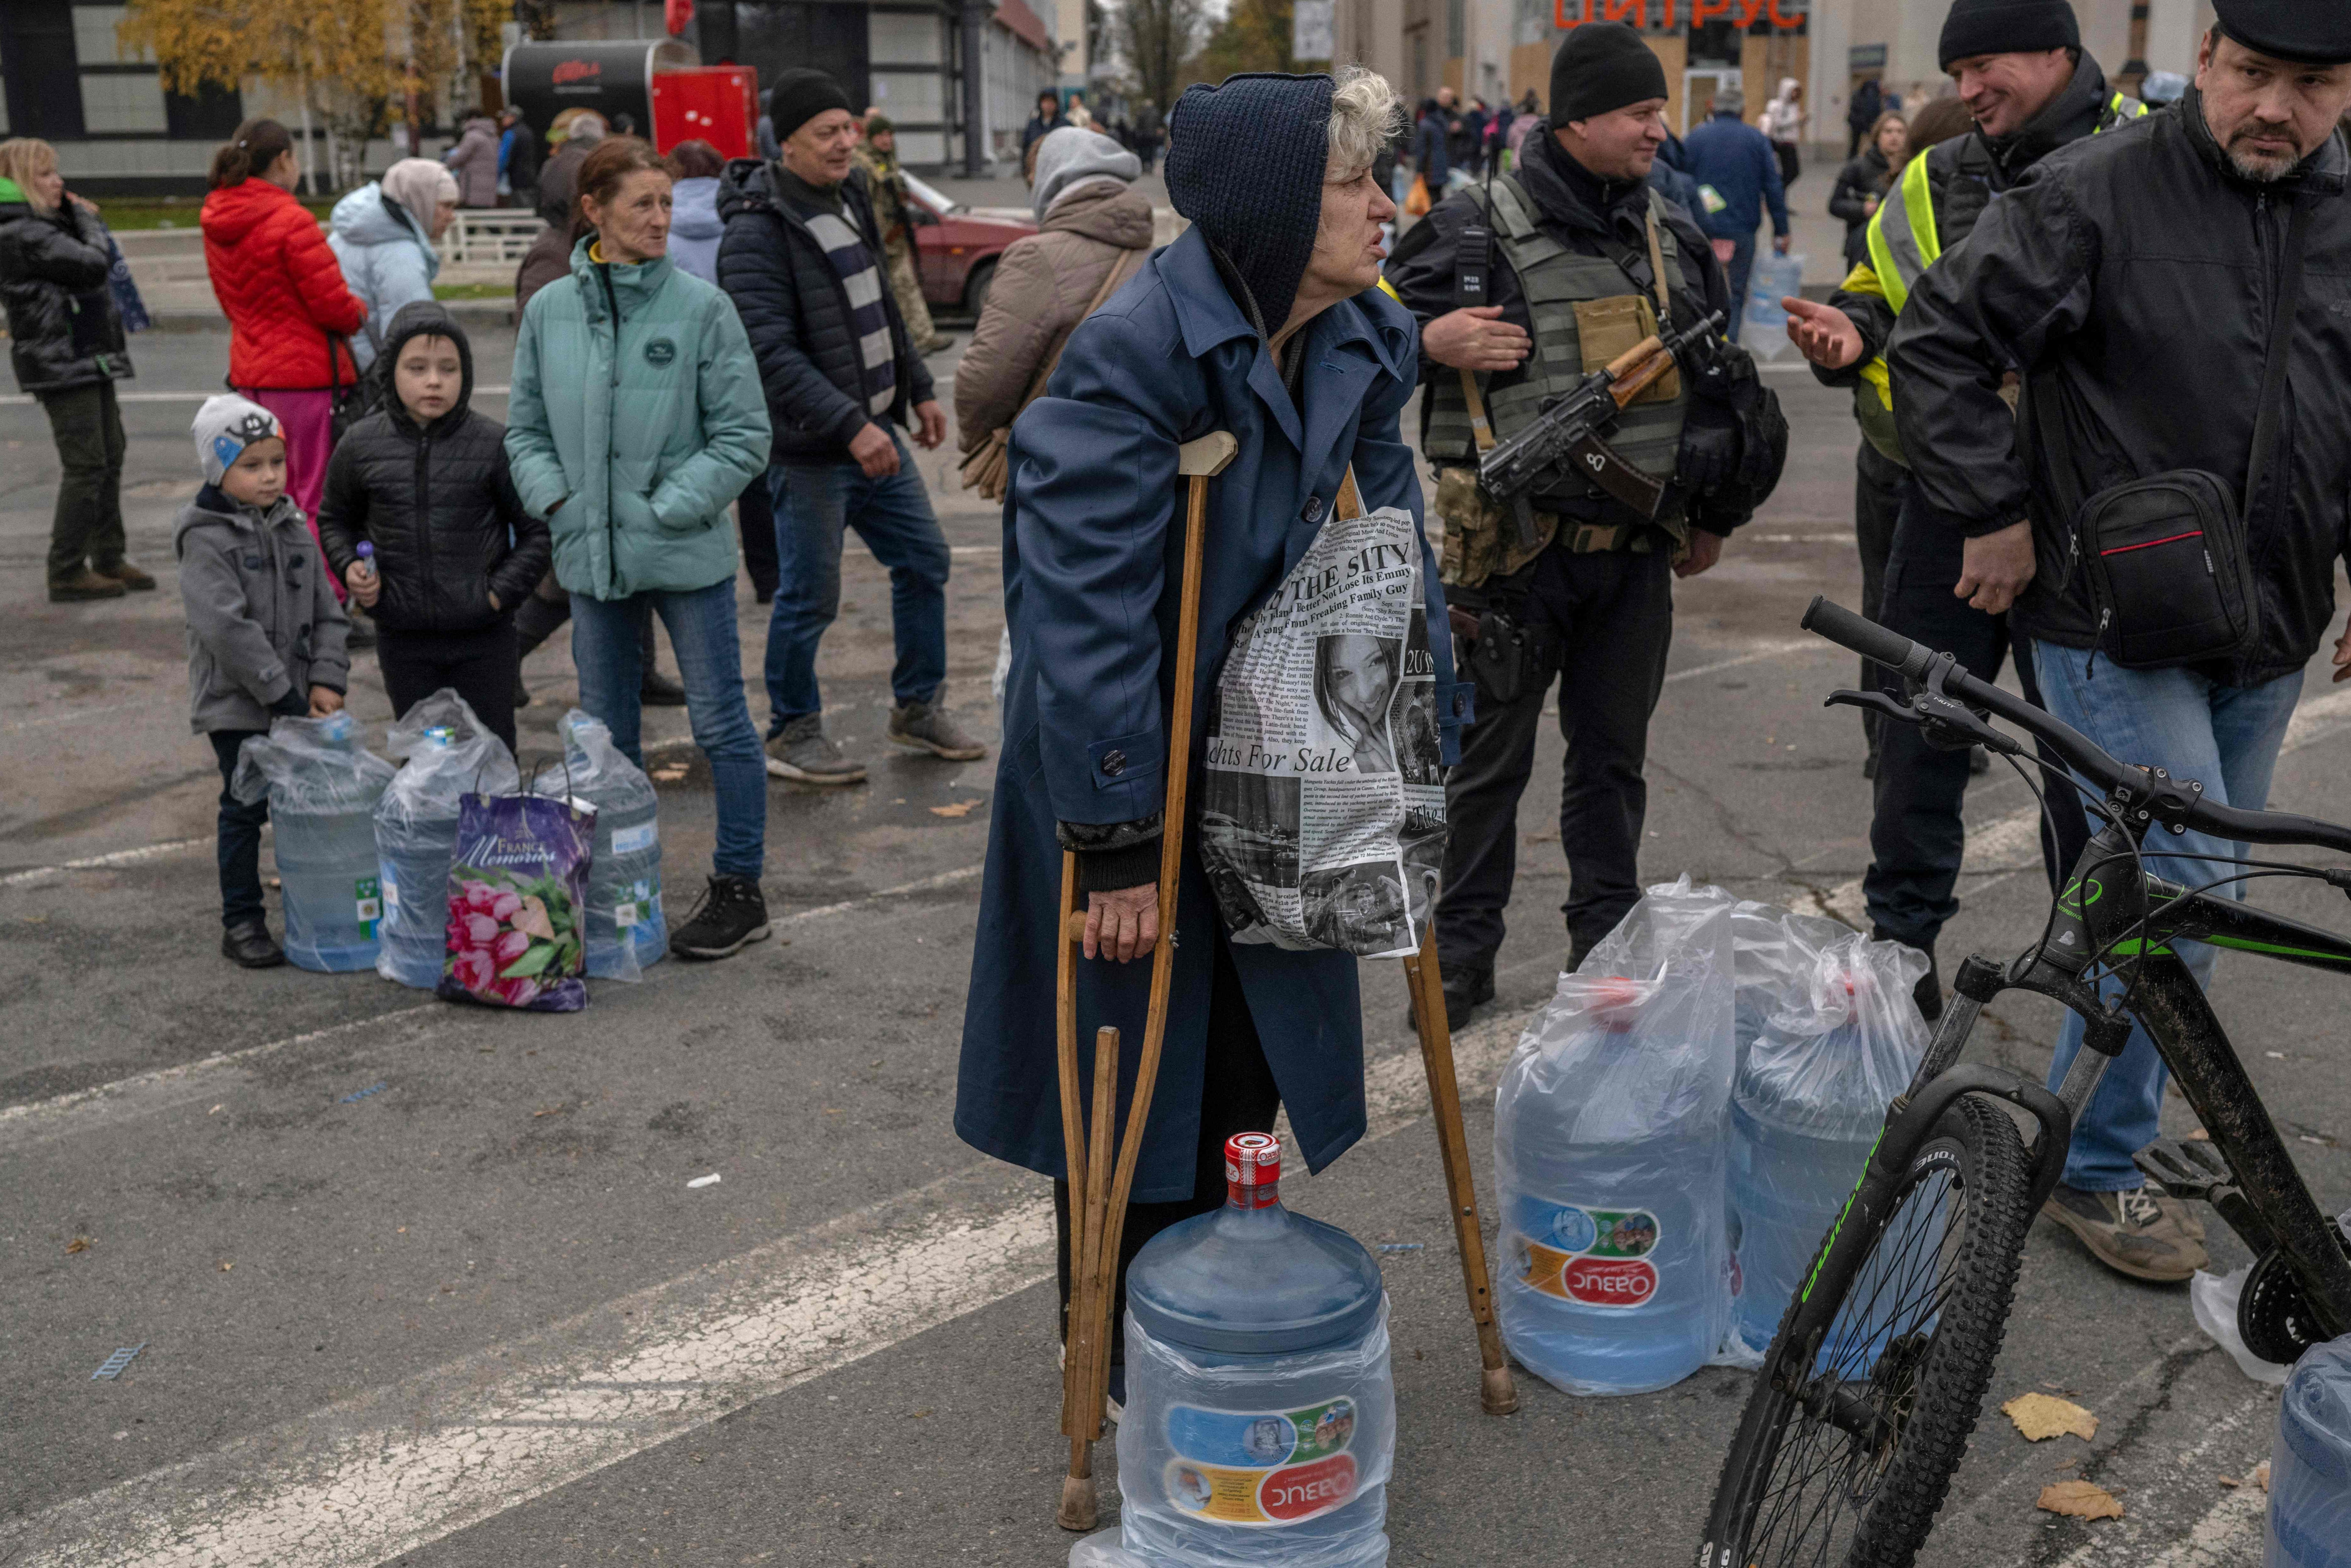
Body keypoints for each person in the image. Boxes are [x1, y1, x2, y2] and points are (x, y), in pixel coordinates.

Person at [957, 67, 1468, 1406]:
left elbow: (1393, 548)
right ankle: (1123, 1366)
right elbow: (1080, 620)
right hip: (1121, 746)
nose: (1384, 206)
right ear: (1265, 206)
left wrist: (1423, 722)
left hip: (1279, 747)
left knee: (1245, 1048)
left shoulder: (1363, 333)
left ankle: (1219, 1323)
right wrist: (1119, 841)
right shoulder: (1127, 362)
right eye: (1354, 183)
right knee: (1134, 1077)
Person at [1887, 4, 2351, 1284]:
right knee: (2189, 885)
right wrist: (1993, 510)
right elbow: (1937, 339)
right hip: (2111, 618)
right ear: (2204, 57)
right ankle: (2091, 1166)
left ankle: (2112, 1100)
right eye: (2253, 74)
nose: (2276, 108)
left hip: (2271, 624)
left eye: (2311, 86)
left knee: (2182, 902)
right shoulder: (2094, 189)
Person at [1384, 21, 1787, 1027]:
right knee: (1485, 772)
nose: (1661, 128)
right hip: (1509, 562)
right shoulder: (1471, 229)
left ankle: (1604, 956)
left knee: (1611, 768)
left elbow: (1710, 388)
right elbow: (1345, 334)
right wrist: (1424, 336)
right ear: (1574, 119)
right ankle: (1461, 961)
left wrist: (1708, 512)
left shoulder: (1669, 230)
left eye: (1660, 110)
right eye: (1639, 111)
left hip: (1632, 560)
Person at [1782, 0, 2138, 1021]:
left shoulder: (2152, 156)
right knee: (1917, 736)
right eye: (1957, 70)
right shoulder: (1931, 178)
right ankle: (1900, 952)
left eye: (1986, 65)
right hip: (1951, 506)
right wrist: (1850, 331)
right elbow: (1875, 288)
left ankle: (2096, 966)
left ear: (2059, 54)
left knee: (2087, 761)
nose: (1967, 89)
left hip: (2097, 519)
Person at [505, 135, 775, 960]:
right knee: (603, 733)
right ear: (594, 212)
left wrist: (665, 507)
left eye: (666, 203)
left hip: (683, 552)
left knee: (722, 722)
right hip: (590, 558)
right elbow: (525, 429)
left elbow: (743, 436)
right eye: (642, 205)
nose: (661, 218)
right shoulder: (551, 310)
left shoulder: (701, 308)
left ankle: (740, 888)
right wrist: (559, 500)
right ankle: (611, 889)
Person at [716, 68, 984, 785]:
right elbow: (766, 351)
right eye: (826, 133)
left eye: (847, 129)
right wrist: (847, 425)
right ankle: (791, 729)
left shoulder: (849, 196)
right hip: (810, 451)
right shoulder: (755, 227)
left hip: (873, 432)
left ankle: (916, 708)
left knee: (924, 562)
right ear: (788, 142)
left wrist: (917, 388)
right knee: (809, 597)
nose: (843, 144)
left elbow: (881, 306)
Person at [316, 302, 548, 752]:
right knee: (429, 756)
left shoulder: (493, 444)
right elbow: (335, 519)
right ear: (390, 373)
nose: (435, 381)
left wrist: (496, 593)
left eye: (449, 368)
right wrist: (349, 567)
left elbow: (537, 533)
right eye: (417, 368)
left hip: (485, 639)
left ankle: (486, 824)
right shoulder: (361, 444)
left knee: (489, 754)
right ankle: (429, 825)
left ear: (466, 374)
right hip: (405, 641)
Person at [176, 394, 350, 969]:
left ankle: (313, 905)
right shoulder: (205, 536)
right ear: (218, 469)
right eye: (252, 465)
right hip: (240, 705)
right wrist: (282, 695)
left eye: (277, 461)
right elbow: (228, 630)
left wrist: (327, 678)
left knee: (305, 805)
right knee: (245, 806)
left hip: (297, 699)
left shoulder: (294, 522)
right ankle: (242, 919)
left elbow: (329, 608)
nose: (271, 475)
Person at [200, 118, 370, 604]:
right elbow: (333, 306)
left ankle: (275, 597)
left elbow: (231, 299)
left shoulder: (216, 218)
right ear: (284, 161)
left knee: (263, 494)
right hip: (306, 381)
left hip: (250, 376)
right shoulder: (291, 220)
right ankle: (327, 603)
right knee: (314, 498)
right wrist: (358, 309)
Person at [0, 137, 146, 604]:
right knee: (86, 464)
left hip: (84, 352)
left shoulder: (40, 223)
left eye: (56, 172)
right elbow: (91, 264)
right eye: (45, 174)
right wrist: (87, 218)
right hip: (60, 359)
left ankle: (108, 555)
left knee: (111, 453)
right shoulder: (21, 232)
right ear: (21, 179)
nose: (58, 181)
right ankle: (65, 568)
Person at [953, 126, 1151, 457]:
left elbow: (985, 384)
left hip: (1054, 464)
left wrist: (979, 442)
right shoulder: (1155, 255)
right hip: (1139, 459)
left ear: (1050, 181)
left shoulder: (1036, 258)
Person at [663, 138, 779, 606]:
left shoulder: (661, 231)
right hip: (742, 364)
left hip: (682, 371)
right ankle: (768, 579)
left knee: (691, 474)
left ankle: (694, 577)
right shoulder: (745, 222)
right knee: (754, 476)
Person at [328, 158, 459, 373]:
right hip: (376, 380)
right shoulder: (401, 254)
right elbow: (412, 337)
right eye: (446, 206)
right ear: (421, 200)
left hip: (341, 366)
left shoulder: (348, 232)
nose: (452, 217)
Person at [1681, 86, 1789, 340]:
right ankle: (1728, 350)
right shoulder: (1756, 140)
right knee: (1736, 294)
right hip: (1742, 229)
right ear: (1743, 111)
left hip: (1700, 230)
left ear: (1712, 108)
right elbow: (1774, 187)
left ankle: (1703, 348)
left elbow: (1680, 183)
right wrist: (1782, 230)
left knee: (1701, 291)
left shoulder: (1694, 139)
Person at [853, 113, 952, 354]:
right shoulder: (864, 163)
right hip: (878, 241)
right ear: (872, 137)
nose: (887, 140)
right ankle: (902, 344)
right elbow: (865, 203)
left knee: (907, 287)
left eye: (890, 135)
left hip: (894, 238)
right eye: (882, 136)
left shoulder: (887, 160)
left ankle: (923, 337)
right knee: (888, 295)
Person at [1829, 111, 1907, 268]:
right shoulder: (1858, 167)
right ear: (1877, 136)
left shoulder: (1913, 167)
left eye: (1900, 132)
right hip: (1864, 246)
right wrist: (1862, 209)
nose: (1895, 137)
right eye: (1889, 131)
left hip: (1901, 247)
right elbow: (1835, 204)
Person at [536, 110, 607, 229]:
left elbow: (540, 202)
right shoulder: (596, 163)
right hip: (585, 235)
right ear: (599, 137)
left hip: (554, 233)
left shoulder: (550, 164)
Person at [442, 112, 501, 208]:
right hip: (489, 188)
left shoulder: (473, 136)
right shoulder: (493, 136)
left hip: (473, 187)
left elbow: (460, 157)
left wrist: (444, 168)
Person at [1760, 77, 1808, 187]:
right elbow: (1777, 124)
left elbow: (1792, 125)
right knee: (1789, 172)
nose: (1795, 94)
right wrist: (1797, 120)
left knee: (1792, 173)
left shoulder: (1794, 106)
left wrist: (1802, 121)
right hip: (1781, 142)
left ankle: (1779, 193)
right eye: (1793, 91)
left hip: (1791, 142)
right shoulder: (1775, 105)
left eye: (1797, 91)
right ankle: (1777, 191)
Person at [498, 105, 540, 211]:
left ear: (513, 118)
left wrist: (497, 177)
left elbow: (503, 159)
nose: (503, 120)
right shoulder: (528, 132)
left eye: (505, 117)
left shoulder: (510, 134)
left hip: (517, 181)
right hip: (529, 178)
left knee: (519, 215)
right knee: (529, 213)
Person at [1022, 89, 1068, 157]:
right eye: (1045, 102)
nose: (1049, 105)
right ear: (1040, 103)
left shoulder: (1064, 124)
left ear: (1057, 104)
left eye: (1052, 102)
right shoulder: (1033, 125)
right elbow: (1026, 148)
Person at [1847, 72, 1884, 157]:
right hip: (1867, 122)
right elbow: (1872, 110)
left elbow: (1854, 108)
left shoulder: (1858, 93)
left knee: (1855, 144)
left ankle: (1852, 160)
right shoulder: (1874, 94)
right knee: (1874, 142)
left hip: (1856, 122)